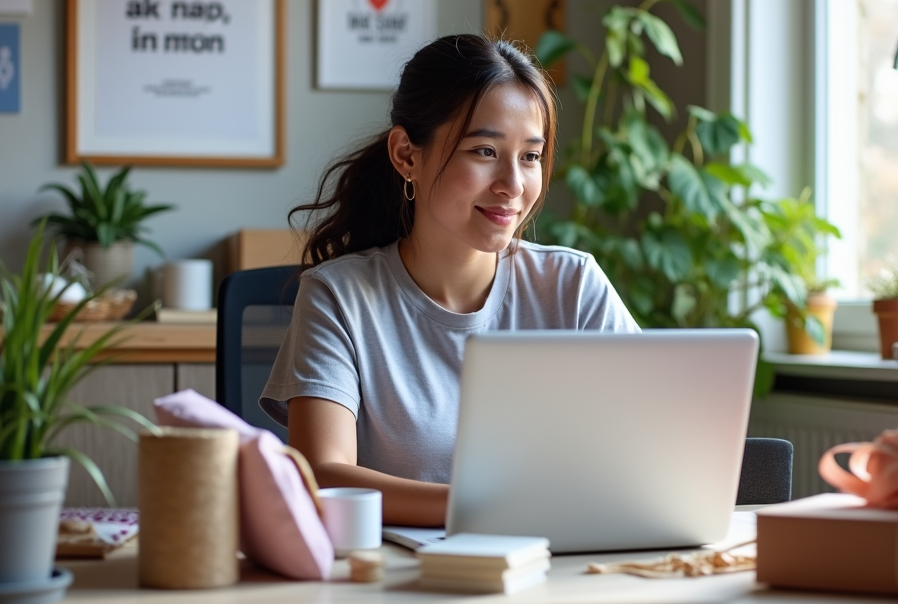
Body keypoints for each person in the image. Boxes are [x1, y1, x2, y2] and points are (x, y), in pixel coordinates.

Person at [260, 34, 639, 526]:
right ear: (406, 155)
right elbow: (322, 476)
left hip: (559, 567)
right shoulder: (339, 296)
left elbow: (646, 453)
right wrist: (489, 510)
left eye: (530, 156)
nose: (513, 185)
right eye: (484, 151)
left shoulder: (573, 285)